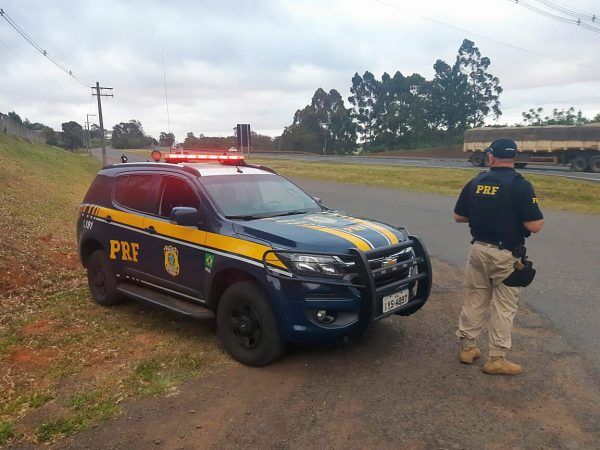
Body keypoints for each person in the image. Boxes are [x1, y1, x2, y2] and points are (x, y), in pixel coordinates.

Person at [453, 139, 544, 375]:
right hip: (505, 255)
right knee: (503, 307)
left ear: (491, 157)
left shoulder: (476, 182)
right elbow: (534, 225)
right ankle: (497, 359)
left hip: (478, 250)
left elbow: (459, 217)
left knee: (475, 298)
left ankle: (467, 348)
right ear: (513, 158)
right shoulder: (520, 186)